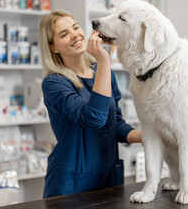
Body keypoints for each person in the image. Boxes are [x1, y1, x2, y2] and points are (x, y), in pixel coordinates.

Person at [39, 10, 143, 198]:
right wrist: (104, 61)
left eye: (76, 27)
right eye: (64, 34)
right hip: (72, 184)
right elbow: (94, 118)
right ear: (53, 47)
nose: (75, 35)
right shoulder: (54, 83)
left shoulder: (103, 73)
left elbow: (115, 123)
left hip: (107, 176)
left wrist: (145, 137)